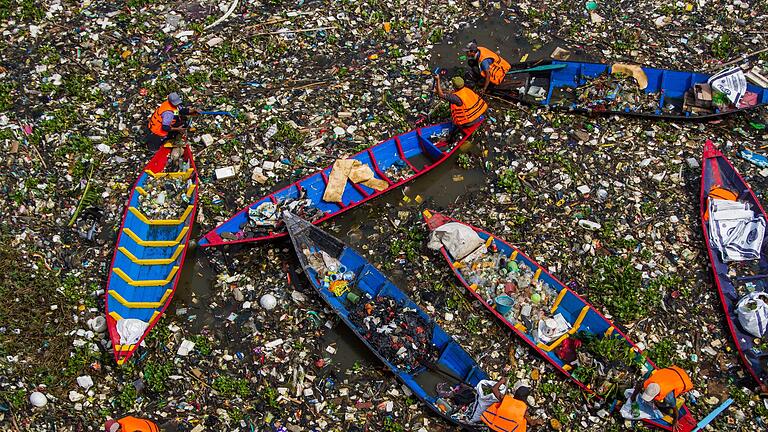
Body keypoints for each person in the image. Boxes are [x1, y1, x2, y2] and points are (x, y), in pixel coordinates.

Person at [630, 365, 694, 431]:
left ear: (657, 394)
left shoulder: (669, 397)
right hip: (672, 372)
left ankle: (661, 406)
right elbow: (639, 385)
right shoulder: (651, 381)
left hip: (682, 378)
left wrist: (675, 421)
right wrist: (633, 397)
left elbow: (675, 409)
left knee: (666, 407)